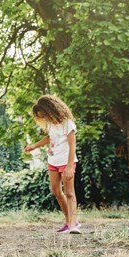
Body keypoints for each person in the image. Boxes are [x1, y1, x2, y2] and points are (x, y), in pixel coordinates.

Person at [25, 95, 81, 234]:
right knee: (56, 191)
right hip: (53, 161)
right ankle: (68, 221)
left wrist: (69, 167)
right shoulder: (50, 124)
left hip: (66, 161)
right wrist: (34, 146)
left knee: (69, 193)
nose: (44, 118)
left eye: (44, 115)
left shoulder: (68, 124)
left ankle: (74, 224)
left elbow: (72, 146)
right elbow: (50, 137)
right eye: (41, 117)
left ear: (52, 110)